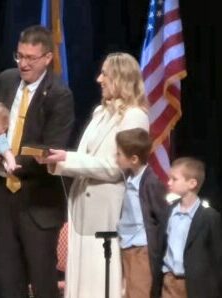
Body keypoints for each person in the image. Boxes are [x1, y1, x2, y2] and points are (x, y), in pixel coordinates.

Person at [38, 52, 150, 297]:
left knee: (100, 280)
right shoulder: (101, 113)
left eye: (105, 74)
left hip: (106, 212)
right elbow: (82, 156)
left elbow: (116, 167)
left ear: (120, 78)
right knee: (80, 281)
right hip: (81, 209)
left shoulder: (134, 115)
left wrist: (66, 160)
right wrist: (57, 161)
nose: (99, 79)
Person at [0, 25, 75, 298]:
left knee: (43, 283)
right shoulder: (6, 80)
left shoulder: (59, 95)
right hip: (1, 202)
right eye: (20, 56)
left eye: (31, 58)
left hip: (38, 204)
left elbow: (47, 152)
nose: (24, 64)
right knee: (8, 283)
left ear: (47, 58)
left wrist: (1, 164)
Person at [152, 157, 222, 298]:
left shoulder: (209, 217)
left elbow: (217, 258)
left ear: (192, 183)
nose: (169, 182)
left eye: (174, 179)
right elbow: (161, 248)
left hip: (196, 287)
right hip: (169, 281)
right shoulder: (168, 212)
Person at [115, 128, 168, 298]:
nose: (115, 158)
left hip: (141, 249)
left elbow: (162, 218)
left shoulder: (151, 183)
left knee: (140, 292)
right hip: (126, 246)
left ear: (134, 159)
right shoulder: (127, 177)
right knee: (128, 293)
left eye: (119, 154)